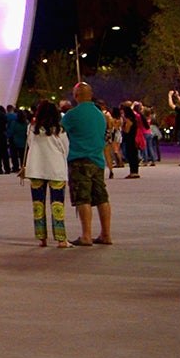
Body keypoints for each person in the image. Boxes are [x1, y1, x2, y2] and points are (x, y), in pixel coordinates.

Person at [64, 83, 112, 247]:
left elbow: (60, 131)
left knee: (83, 198)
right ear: (91, 95)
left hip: (79, 160)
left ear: (76, 95)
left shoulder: (72, 115)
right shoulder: (100, 115)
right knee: (101, 197)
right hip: (98, 160)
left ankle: (86, 235)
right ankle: (106, 234)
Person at [25, 99, 71, 248]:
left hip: (36, 169)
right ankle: (61, 239)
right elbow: (65, 150)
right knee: (57, 205)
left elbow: (30, 144)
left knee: (38, 205)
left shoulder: (32, 128)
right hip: (56, 169)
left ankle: (42, 238)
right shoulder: (60, 130)